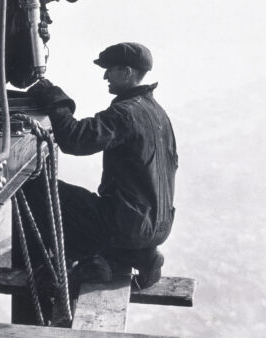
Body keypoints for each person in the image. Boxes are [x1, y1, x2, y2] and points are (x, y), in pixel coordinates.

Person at [25, 42, 178, 289]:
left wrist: (55, 98)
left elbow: (74, 139)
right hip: (157, 227)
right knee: (96, 212)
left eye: (110, 70)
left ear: (127, 72)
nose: (105, 75)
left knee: (36, 189)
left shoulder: (125, 113)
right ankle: (141, 255)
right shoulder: (158, 113)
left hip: (129, 226)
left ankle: (92, 261)